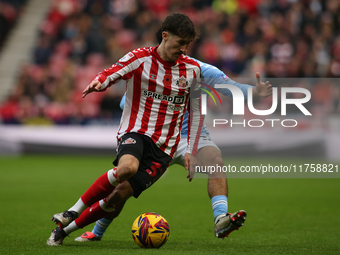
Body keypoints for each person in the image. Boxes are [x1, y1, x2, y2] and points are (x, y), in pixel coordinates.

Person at [47, 13, 204, 246]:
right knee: (127, 168)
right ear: (165, 36)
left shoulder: (192, 70)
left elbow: (197, 111)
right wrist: (100, 81)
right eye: (180, 43)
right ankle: (72, 210)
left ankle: (64, 230)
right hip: (136, 131)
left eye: (187, 44)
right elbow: (114, 71)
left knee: (117, 196)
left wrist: (190, 149)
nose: (183, 49)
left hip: (165, 149)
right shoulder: (140, 58)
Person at [73, 58, 272, 242]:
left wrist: (254, 92)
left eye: (184, 44)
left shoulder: (200, 69)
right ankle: (97, 231)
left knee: (216, 162)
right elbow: (126, 103)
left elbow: (232, 88)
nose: (181, 50)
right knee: (122, 189)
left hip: (191, 136)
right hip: (157, 138)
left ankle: (221, 219)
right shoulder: (148, 70)